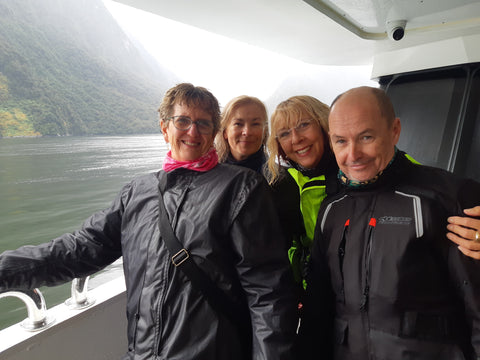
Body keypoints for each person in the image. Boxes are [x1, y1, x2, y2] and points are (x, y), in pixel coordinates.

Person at [0, 83, 298, 360]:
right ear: (164, 127)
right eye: (182, 120)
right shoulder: (137, 192)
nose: (192, 131)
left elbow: (268, 293)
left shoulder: (240, 188)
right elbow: (79, 249)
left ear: (214, 133)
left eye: (203, 123)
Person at [300, 86, 480, 359]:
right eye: (340, 141)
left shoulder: (446, 198)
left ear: (394, 130)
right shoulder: (332, 209)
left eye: (366, 137)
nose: (353, 154)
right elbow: (318, 310)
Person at [266, 95, 335, 284]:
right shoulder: (281, 186)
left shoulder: (359, 172)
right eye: (285, 134)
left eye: (304, 125)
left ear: (323, 125)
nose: (296, 139)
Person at [215, 95, 268, 174]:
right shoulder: (209, 174)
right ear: (225, 132)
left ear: (264, 131)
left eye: (255, 124)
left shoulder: (277, 178)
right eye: (238, 124)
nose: (247, 132)